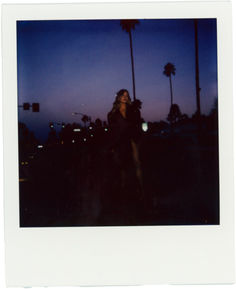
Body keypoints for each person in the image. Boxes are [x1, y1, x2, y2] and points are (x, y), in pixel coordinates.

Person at [107, 89, 143, 197]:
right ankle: (124, 190)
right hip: (120, 141)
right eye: (122, 94)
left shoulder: (132, 109)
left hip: (131, 139)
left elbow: (137, 122)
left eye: (126, 95)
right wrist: (112, 145)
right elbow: (112, 130)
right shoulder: (112, 113)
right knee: (122, 166)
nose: (125, 96)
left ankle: (141, 188)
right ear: (118, 97)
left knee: (137, 163)